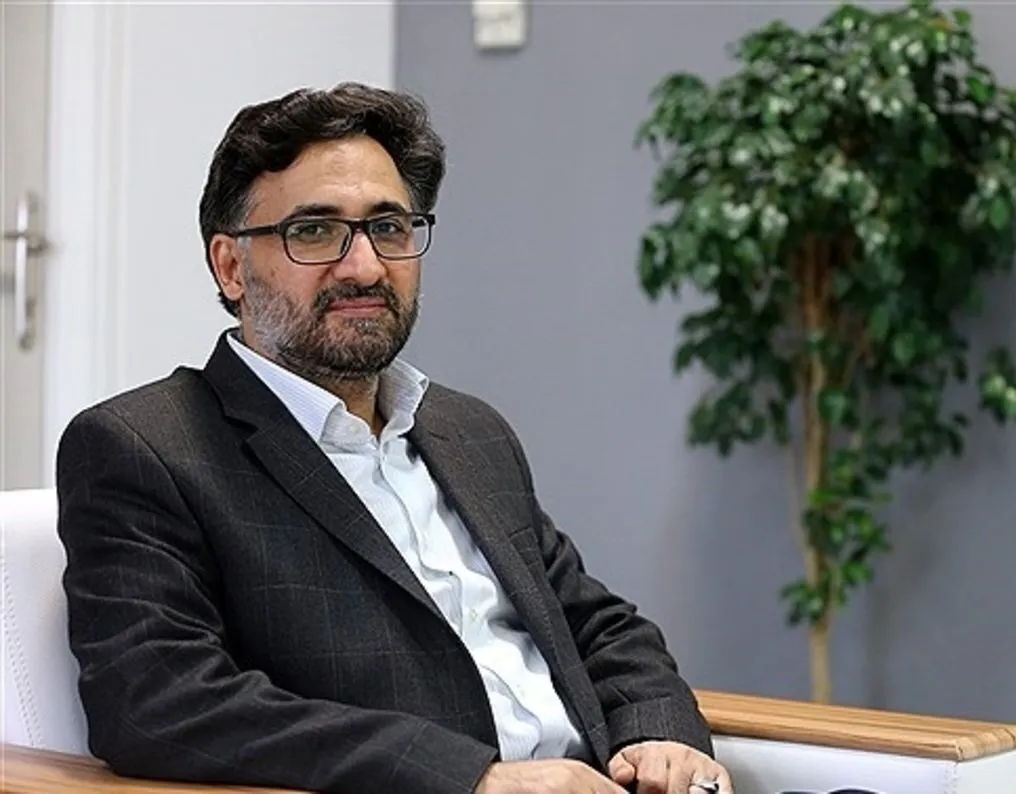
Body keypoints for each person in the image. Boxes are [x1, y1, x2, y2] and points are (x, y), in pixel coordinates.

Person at [54, 82, 733, 794]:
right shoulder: (147, 447)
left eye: (389, 227)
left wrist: (658, 730)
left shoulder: (469, 431)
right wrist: (475, 780)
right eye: (314, 231)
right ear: (231, 267)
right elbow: (160, 703)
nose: (366, 267)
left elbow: (594, 624)